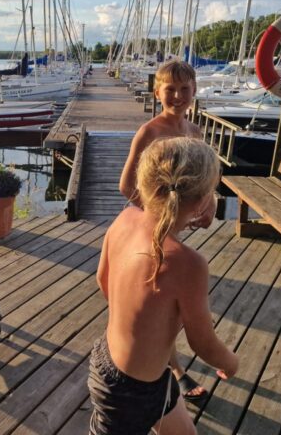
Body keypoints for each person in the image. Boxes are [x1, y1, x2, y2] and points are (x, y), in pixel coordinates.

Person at [89, 137, 238, 435]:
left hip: (118, 362)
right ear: (202, 201)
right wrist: (231, 363)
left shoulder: (125, 218)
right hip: (130, 392)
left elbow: (103, 281)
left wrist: (140, 322)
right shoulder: (188, 264)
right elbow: (203, 343)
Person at [118, 59, 217, 403]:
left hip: (177, 231)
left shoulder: (195, 132)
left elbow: (205, 179)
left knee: (175, 301)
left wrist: (209, 204)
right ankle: (173, 369)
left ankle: (168, 363)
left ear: (194, 91)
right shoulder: (150, 132)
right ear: (156, 92)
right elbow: (126, 185)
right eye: (170, 89)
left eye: (184, 89)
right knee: (163, 306)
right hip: (152, 231)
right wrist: (160, 215)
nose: (177, 95)